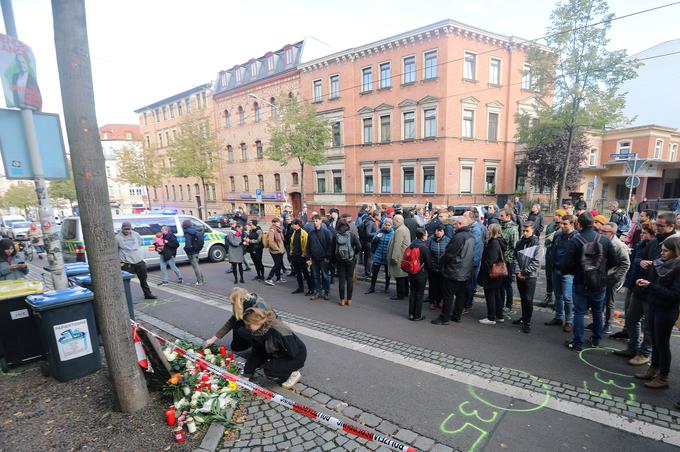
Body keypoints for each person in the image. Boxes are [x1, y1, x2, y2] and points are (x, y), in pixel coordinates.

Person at [561, 212, 616, 351]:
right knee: (597, 312)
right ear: (593, 223)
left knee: (579, 312)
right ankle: (596, 339)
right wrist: (600, 271)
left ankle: (577, 342)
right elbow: (614, 261)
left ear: (578, 223)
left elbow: (566, 264)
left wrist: (578, 271)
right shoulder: (604, 240)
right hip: (599, 282)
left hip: (581, 281)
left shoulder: (575, 240)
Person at [634, 236, 680, 389]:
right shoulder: (661, 264)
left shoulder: (677, 268)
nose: (662, 253)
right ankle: (654, 369)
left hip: (666, 310)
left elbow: (674, 295)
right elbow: (655, 284)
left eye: (666, 251)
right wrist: (646, 283)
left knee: (662, 344)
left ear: (676, 252)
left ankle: (663, 376)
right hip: (654, 306)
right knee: (655, 341)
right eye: (661, 250)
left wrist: (651, 286)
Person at [613, 223, 655, 364]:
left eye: (645, 233)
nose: (642, 235)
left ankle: (644, 353)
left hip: (650, 289)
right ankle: (633, 347)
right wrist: (641, 261)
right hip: (636, 285)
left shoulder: (659, 245)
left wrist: (650, 263)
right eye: (642, 232)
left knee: (648, 326)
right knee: (631, 319)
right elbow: (635, 259)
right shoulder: (642, 244)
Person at [241, 307, 306, 390]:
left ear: (257, 322)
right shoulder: (257, 331)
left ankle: (293, 373)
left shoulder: (279, 331)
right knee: (264, 364)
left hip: (295, 355)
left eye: (248, 324)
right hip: (276, 353)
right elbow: (256, 353)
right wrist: (247, 375)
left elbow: (293, 352)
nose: (247, 327)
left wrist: (275, 363)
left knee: (270, 371)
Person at [432, 217, 475, 325]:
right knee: (460, 295)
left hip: (454, 271)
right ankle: (456, 315)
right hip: (465, 271)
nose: (453, 226)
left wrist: (442, 264)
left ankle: (444, 318)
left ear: (460, 224)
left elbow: (449, 254)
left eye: (455, 224)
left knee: (448, 296)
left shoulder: (459, 237)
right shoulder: (471, 236)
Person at [204, 287, 272, 353]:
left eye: (233, 303)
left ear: (238, 302)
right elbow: (230, 322)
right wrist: (213, 339)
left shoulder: (257, 308)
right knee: (237, 327)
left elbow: (265, 328)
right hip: (257, 327)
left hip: (266, 333)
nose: (231, 304)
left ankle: (258, 346)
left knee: (241, 330)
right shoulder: (245, 302)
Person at [545, 214, 578, 332]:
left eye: (565, 224)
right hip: (556, 269)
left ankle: (569, 321)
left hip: (568, 272)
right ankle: (558, 317)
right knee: (558, 295)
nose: (562, 226)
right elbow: (553, 249)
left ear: (572, 224)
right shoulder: (558, 235)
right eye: (561, 224)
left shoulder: (576, 237)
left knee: (568, 297)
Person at [511, 221, 544, 333]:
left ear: (533, 231)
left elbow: (536, 262)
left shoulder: (538, 244)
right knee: (523, 299)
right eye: (523, 231)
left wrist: (524, 273)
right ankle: (524, 318)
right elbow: (514, 258)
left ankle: (527, 322)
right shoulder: (519, 243)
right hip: (520, 274)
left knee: (528, 300)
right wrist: (518, 272)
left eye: (527, 231)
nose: (524, 233)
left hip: (530, 277)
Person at [599, 222, 631, 334]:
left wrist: (616, 278)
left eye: (604, 232)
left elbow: (626, 263)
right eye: (601, 231)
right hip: (602, 276)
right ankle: (598, 322)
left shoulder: (618, 245)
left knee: (609, 301)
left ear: (612, 233)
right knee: (600, 299)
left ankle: (608, 324)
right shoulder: (603, 241)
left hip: (612, 277)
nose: (601, 233)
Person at [116, 221, 156, 299]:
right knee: (125, 282)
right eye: (125, 229)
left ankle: (147, 294)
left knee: (143, 279)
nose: (127, 231)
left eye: (129, 229)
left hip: (139, 261)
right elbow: (116, 249)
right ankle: (125, 298)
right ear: (122, 229)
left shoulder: (136, 234)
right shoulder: (117, 237)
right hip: (127, 263)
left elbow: (139, 243)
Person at [477, 224, 506, 325]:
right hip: (497, 274)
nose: (487, 231)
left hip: (491, 274)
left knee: (490, 295)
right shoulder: (500, 241)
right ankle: (499, 315)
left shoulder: (493, 242)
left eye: (488, 230)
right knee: (496, 295)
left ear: (492, 231)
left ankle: (491, 317)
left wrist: (485, 267)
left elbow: (491, 260)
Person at [333, 218, 361, 306]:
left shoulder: (336, 235)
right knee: (349, 279)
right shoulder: (352, 235)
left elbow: (332, 249)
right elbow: (359, 247)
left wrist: (334, 259)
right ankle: (349, 300)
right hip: (350, 260)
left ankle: (341, 300)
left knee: (341, 280)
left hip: (340, 260)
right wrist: (353, 253)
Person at [542, 209, 566, 307]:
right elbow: (546, 241)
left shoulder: (563, 227)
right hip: (549, 252)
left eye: (557, 215)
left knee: (556, 277)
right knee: (548, 275)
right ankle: (548, 295)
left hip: (558, 254)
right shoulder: (551, 226)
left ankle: (558, 299)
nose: (555, 216)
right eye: (555, 214)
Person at [406, 229, 431, 321]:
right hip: (421, 273)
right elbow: (429, 262)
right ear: (423, 236)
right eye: (426, 234)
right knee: (419, 294)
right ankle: (417, 315)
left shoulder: (412, 245)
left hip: (411, 272)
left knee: (412, 293)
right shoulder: (424, 247)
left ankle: (411, 314)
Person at [307, 215, 333, 300]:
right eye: (313, 221)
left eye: (316, 221)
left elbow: (330, 246)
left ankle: (326, 292)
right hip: (314, 259)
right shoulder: (311, 233)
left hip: (323, 259)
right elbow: (308, 246)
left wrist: (328, 257)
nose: (315, 222)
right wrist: (308, 258)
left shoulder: (326, 232)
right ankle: (317, 292)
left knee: (325, 276)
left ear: (320, 221)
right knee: (315, 276)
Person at [499, 208, 519, 310]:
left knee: (507, 284)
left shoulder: (513, 229)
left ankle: (508, 305)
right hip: (499, 260)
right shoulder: (500, 226)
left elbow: (515, 247)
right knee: (500, 285)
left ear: (508, 216)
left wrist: (507, 259)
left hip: (508, 262)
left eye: (502, 216)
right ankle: (501, 304)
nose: (499, 217)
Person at [366, 218, 393, 294]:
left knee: (387, 274)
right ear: (383, 225)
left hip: (387, 256)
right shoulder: (379, 231)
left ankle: (387, 288)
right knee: (375, 272)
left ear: (391, 226)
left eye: (388, 225)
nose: (387, 226)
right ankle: (372, 288)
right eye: (385, 225)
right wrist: (377, 237)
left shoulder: (393, 233)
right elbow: (373, 241)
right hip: (378, 254)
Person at [387, 214, 411, 301]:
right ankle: (405, 293)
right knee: (404, 276)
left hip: (400, 256)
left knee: (399, 276)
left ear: (397, 221)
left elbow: (397, 245)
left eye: (393, 221)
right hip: (403, 256)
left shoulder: (399, 230)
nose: (393, 222)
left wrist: (394, 258)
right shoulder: (404, 228)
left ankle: (400, 294)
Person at [426, 225, 450, 310]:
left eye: (440, 230)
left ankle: (439, 301)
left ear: (443, 232)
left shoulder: (447, 240)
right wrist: (429, 265)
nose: (438, 232)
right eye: (437, 230)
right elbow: (427, 252)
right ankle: (432, 301)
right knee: (432, 286)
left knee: (441, 286)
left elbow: (448, 253)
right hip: (433, 267)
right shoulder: (430, 239)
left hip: (442, 268)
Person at [463, 210, 483, 311]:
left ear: (470, 218)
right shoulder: (472, 228)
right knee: (468, 283)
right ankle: (466, 302)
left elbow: (472, 247)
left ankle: (467, 303)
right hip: (471, 261)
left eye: (464, 217)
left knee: (470, 284)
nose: (463, 219)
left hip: (472, 262)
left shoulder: (476, 229)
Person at [288, 219, 313, 295]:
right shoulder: (294, 232)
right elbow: (292, 245)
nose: (292, 226)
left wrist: (306, 257)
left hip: (302, 257)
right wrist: (291, 254)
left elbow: (306, 246)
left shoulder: (304, 233)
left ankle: (311, 289)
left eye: (293, 224)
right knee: (298, 273)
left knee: (305, 274)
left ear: (297, 224)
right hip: (295, 257)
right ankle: (300, 288)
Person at [264, 218, 287, 286]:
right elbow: (271, 242)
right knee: (277, 264)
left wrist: (282, 249)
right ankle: (269, 278)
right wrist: (277, 249)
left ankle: (278, 278)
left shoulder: (278, 229)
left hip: (280, 250)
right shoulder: (272, 230)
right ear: (274, 223)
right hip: (275, 251)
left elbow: (281, 240)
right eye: (278, 222)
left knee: (279, 264)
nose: (280, 223)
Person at [182, 219, 205, 286]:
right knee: (197, 265)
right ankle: (201, 280)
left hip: (192, 251)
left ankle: (200, 281)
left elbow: (188, 245)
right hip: (197, 250)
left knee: (195, 266)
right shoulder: (195, 230)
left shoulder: (187, 232)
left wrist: (186, 250)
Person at [359, 211, 380, 277]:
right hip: (369, 243)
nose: (379, 217)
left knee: (367, 257)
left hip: (367, 242)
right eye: (378, 215)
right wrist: (376, 233)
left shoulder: (370, 221)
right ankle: (368, 272)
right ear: (375, 216)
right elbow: (368, 233)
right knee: (370, 258)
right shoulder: (370, 223)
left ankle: (367, 272)